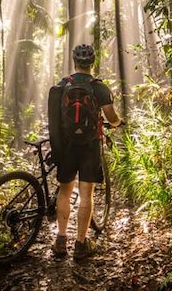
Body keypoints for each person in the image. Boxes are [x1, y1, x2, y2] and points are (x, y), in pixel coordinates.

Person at [51, 43, 123, 261]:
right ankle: (81, 244)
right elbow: (111, 117)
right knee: (86, 195)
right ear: (92, 62)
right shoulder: (98, 88)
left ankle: (61, 240)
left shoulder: (63, 85)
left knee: (65, 192)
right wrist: (118, 122)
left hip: (68, 146)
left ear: (74, 62)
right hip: (90, 147)